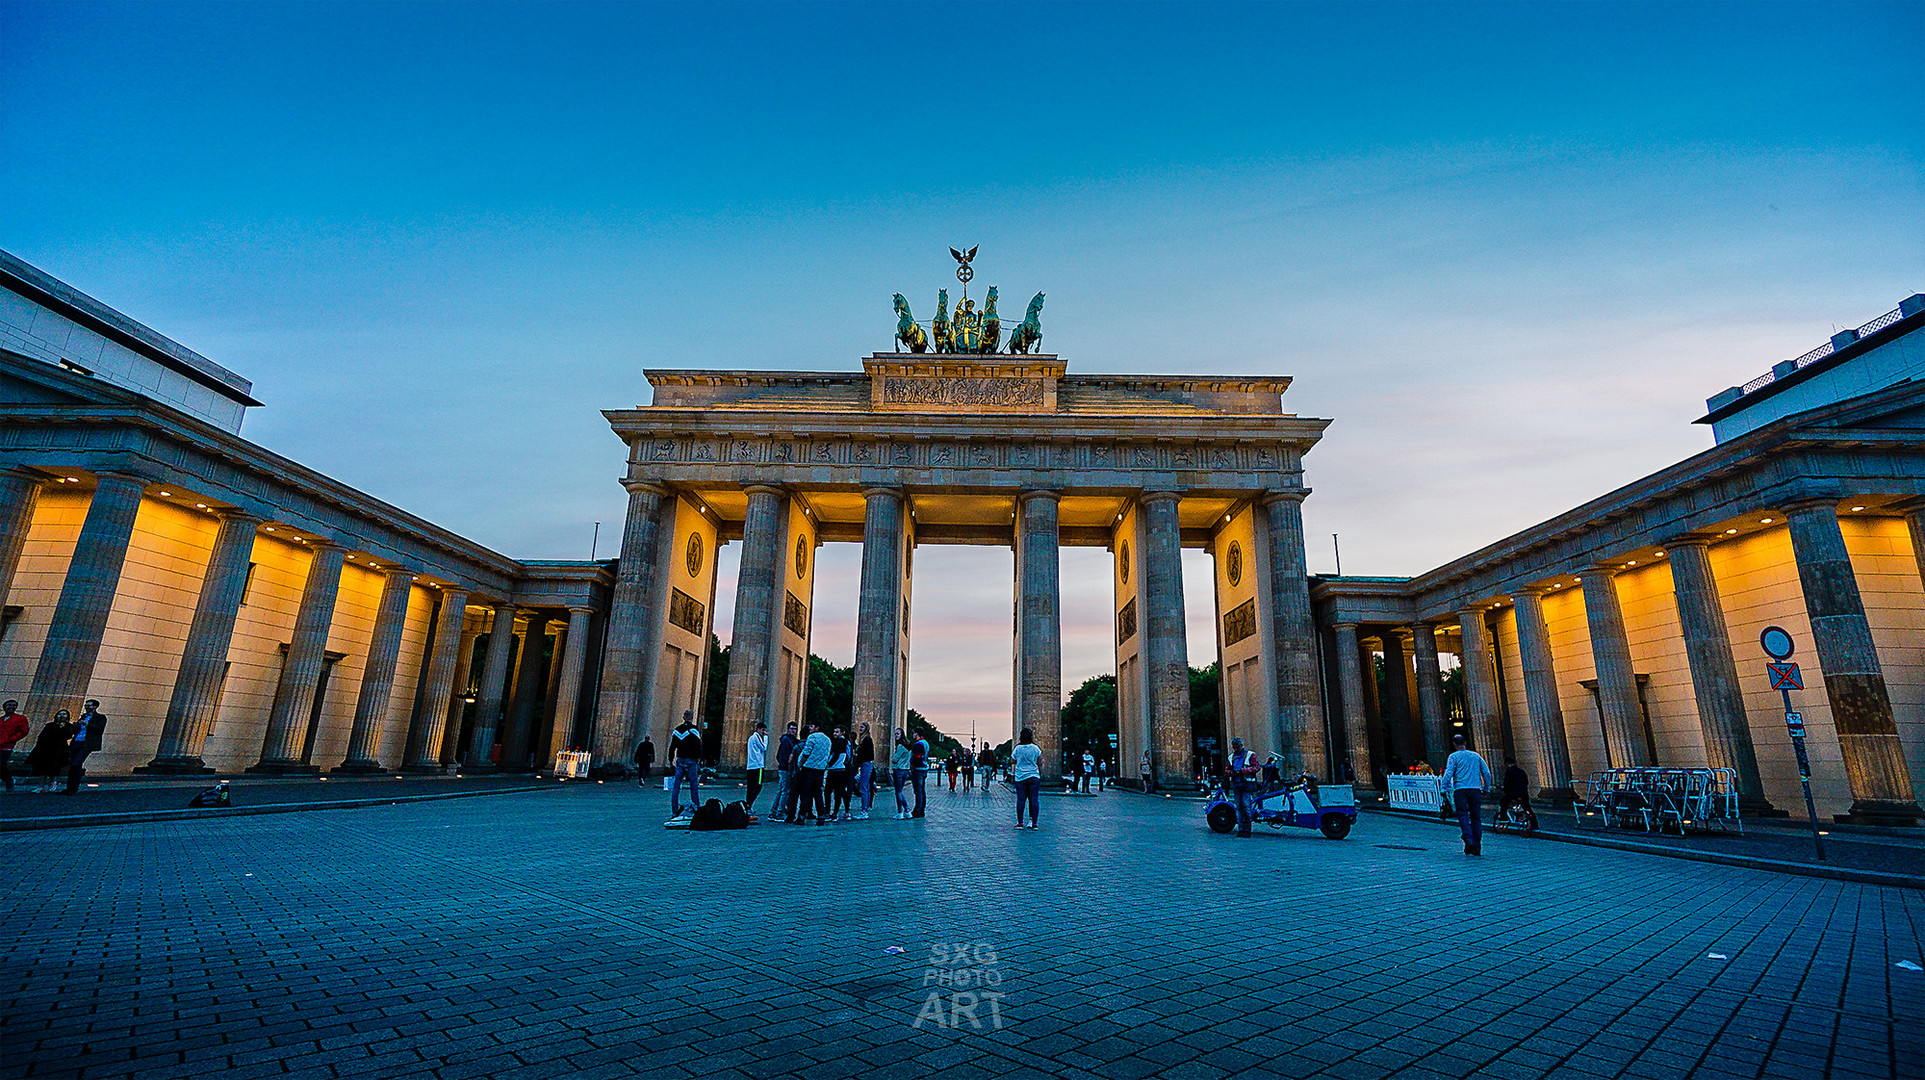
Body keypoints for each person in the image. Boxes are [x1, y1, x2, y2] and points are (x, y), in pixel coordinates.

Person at [1440, 734, 1493, 856]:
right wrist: (1486, 788)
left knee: (1463, 815)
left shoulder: (1454, 757)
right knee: (1476, 817)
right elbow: (1486, 773)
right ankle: (1477, 844)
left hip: (1460, 789)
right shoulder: (1475, 756)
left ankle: (1468, 839)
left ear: (1454, 744)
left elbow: (1448, 773)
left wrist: (1444, 788)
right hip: (1475, 789)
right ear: (1465, 742)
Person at [64, 700, 106, 795]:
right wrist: (75, 726)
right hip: (76, 742)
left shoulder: (100, 717)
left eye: (89, 705)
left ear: (95, 707)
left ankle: (73, 788)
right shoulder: (83, 716)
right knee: (72, 765)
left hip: (86, 744)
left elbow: (99, 729)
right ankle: (70, 788)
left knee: (76, 764)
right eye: (86, 705)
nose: (86, 707)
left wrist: (87, 724)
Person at [793, 723, 832, 825]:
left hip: (809, 769)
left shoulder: (812, 737)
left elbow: (806, 752)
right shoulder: (827, 739)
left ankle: (801, 817)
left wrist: (801, 764)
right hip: (820, 770)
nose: (809, 728)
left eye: (812, 726)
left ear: (817, 727)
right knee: (818, 794)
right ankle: (821, 816)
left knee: (805, 794)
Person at [27, 710, 72, 794]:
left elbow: (68, 736)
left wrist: (62, 727)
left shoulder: (69, 726)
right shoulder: (49, 725)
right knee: (41, 768)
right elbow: (42, 736)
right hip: (45, 748)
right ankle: (41, 786)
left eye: (64, 714)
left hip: (58, 749)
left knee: (53, 767)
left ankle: (52, 782)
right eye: (59, 714)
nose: (61, 716)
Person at [668, 711, 703, 817]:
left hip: (680, 759)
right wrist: (698, 758)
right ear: (692, 718)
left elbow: (672, 747)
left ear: (683, 717)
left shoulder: (677, 730)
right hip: (691, 760)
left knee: (676, 786)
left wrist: (670, 760)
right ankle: (696, 808)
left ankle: (674, 810)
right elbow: (698, 745)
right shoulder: (694, 730)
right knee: (693, 785)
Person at [1226, 737, 1262, 838]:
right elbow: (1227, 769)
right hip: (1237, 784)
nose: (1236, 749)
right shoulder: (1231, 757)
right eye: (1234, 747)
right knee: (1239, 807)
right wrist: (1231, 773)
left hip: (1247, 784)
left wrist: (1243, 771)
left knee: (1245, 805)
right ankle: (1241, 828)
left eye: (1237, 747)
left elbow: (1257, 767)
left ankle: (1247, 829)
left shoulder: (1250, 755)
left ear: (1241, 745)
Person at [1011, 728, 1042, 829]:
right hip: (1033, 776)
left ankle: (1020, 823)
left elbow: (1012, 761)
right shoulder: (1035, 748)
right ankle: (1034, 823)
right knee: (1034, 800)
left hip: (1020, 777)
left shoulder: (1018, 748)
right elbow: (1040, 762)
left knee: (1021, 800)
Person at [772, 721, 798, 822]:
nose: (793, 731)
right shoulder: (787, 740)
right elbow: (785, 756)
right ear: (788, 729)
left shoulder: (788, 740)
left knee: (781, 790)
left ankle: (773, 812)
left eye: (795, 729)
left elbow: (778, 756)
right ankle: (780, 813)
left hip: (783, 768)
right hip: (786, 769)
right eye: (792, 729)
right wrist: (789, 767)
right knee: (785, 791)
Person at [0, 700, 27, 793]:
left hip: (7, 746)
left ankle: (8, 780)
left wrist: (11, 739)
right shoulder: (1, 719)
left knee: (1, 764)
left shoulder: (20, 718)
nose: (10, 707)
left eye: (13, 705)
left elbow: (23, 731)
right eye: (8, 705)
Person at [903, 728, 930, 818]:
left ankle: (918, 810)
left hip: (918, 768)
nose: (913, 735)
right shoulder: (926, 743)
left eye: (914, 733)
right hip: (924, 768)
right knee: (922, 790)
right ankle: (921, 809)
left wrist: (912, 765)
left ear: (917, 734)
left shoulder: (918, 744)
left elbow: (917, 757)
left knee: (918, 791)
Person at [826, 727, 852, 821]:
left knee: (829, 791)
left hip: (834, 769)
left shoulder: (837, 743)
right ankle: (838, 811)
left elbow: (835, 755)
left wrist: (829, 764)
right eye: (834, 731)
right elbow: (848, 756)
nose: (834, 733)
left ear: (842, 732)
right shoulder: (847, 743)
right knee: (839, 792)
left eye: (837, 732)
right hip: (842, 769)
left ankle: (829, 812)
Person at [744, 721, 769, 813]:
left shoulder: (751, 738)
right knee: (758, 786)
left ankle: (748, 806)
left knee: (750, 787)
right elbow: (764, 747)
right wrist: (766, 737)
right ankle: (749, 804)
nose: (764, 732)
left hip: (751, 766)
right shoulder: (756, 737)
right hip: (758, 766)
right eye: (763, 730)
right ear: (758, 729)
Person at [853, 723, 875, 820]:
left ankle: (864, 810)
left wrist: (858, 756)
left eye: (862, 727)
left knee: (863, 787)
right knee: (865, 787)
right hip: (865, 764)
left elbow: (869, 753)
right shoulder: (865, 739)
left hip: (865, 764)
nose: (860, 729)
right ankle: (865, 807)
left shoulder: (867, 739)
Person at [890, 727, 913, 818]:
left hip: (898, 769)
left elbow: (895, 759)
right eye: (895, 734)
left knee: (898, 792)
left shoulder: (900, 746)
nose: (896, 736)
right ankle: (907, 810)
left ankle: (900, 811)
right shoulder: (908, 746)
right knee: (900, 791)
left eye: (897, 734)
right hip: (906, 769)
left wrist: (893, 758)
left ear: (901, 734)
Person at [1501, 756, 1531, 820]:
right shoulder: (1522, 771)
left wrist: (1506, 791)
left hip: (1513, 794)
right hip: (1523, 793)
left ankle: (1504, 818)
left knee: (1503, 802)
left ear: (1507, 764)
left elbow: (1506, 783)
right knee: (1527, 808)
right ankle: (1535, 826)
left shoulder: (1509, 772)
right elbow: (1526, 782)